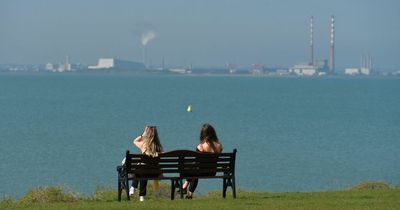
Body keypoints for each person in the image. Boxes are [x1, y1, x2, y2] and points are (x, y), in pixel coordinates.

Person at [182, 123, 223, 199]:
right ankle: (188, 190)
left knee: (193, 169)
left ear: (203, 134)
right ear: (213, 133)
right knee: (195, 170)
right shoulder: (219, 146)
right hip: (212, 172)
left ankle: (186, 186)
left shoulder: (200, 147)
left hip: (200, 171)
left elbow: (196, 162)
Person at [129, 125, 163, 202]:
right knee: (144, 170)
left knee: (140, 168)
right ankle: (142, 196)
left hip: (143, 172)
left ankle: (133, 187)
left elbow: (135, 141)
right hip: (154, 173)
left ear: (146, 134)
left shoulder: (143, 145)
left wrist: (142, 135)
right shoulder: (158, 147)